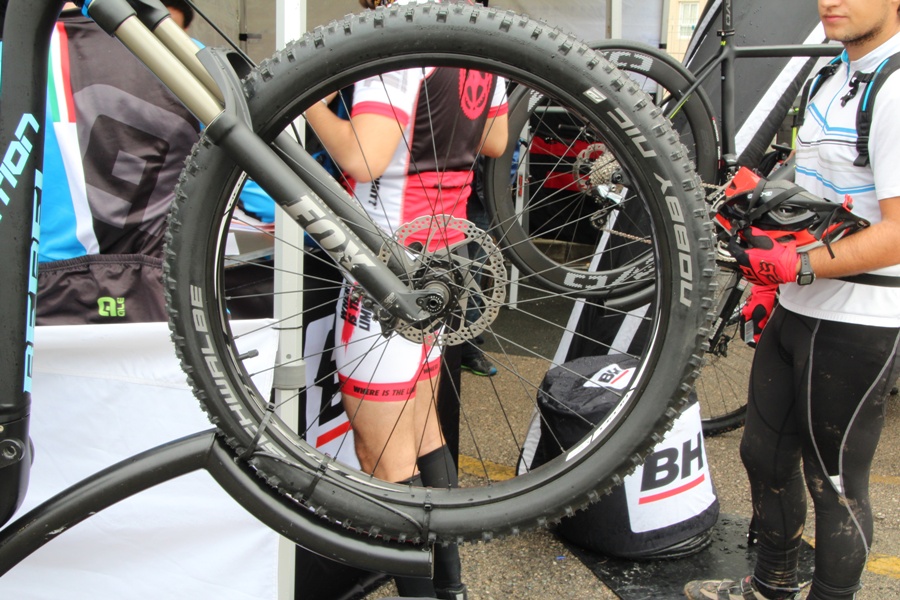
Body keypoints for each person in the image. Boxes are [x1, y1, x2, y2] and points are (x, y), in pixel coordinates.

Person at [684, 1, 900, 599]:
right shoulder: (829, 75)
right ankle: (771, 586)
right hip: (799, 305)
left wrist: (797, 265)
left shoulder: (895, 88)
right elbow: (811, 199)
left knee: (835, 484)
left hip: (859, 320)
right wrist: (769, 256)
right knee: (764, 456)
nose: (831, 0)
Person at [304, 1, 509, 597]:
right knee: (423, 434)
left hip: (387, 268)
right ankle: (451, 591)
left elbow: (361, 157)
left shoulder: (397, 35)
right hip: (445, 254)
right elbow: (495, 140)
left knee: (386, 460)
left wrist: (308, 98)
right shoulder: (474, 33)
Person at [32, 1, 199, 325]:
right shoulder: (186, 56)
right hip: (165, 302)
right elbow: (264, 202)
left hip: (35, 309)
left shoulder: (13, 59)